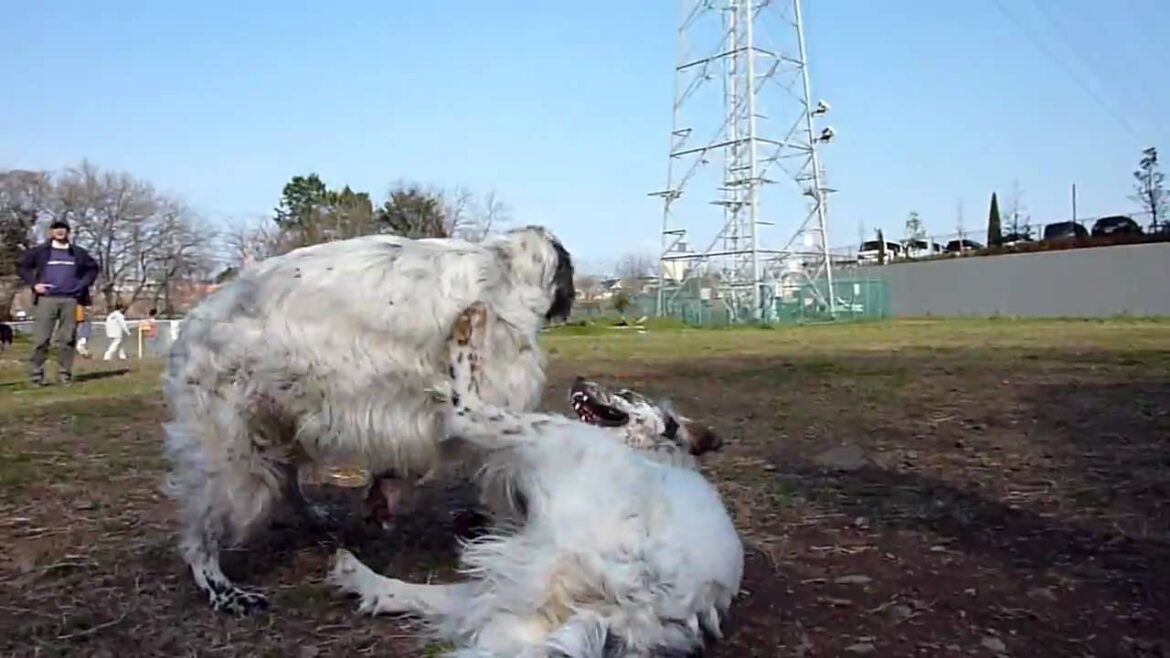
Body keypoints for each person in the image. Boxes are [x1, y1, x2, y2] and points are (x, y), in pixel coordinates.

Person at [16, 219, 100, 385]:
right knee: (41, 340)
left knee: (67, 340)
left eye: (63, 229)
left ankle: (65, 375)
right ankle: (36, 376)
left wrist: (81, 286)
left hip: (71, 300)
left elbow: (93, 269)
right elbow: (21, 266)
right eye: (56, 229)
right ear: (51, 232)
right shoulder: (41, 251)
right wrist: (34, 284)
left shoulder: (78, 253)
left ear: (69, 232)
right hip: (46, 300)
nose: (60, 231)